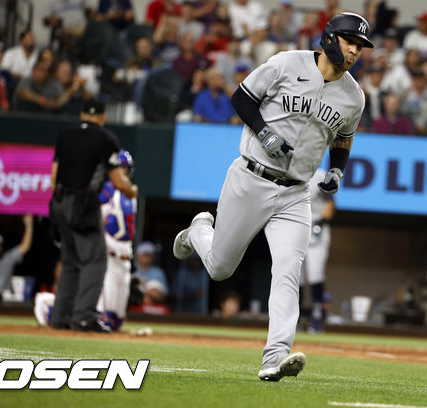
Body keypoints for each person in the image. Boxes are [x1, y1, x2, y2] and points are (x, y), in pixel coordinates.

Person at [172, 12, 372, 381]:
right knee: (219, 268)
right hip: (251, 177)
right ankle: (199, 230)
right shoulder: (286, 63)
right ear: (329, 38)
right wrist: (264, 133)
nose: (355, 50)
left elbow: (344, 136)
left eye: (360, 46)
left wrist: (337, 170)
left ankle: (274, 356)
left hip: (297, 193)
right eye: (350, 41)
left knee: (288, 272)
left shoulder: (353, 96)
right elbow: (242, 98)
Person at [49, 99, 138, 333]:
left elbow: (53, 176)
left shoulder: (65, 135)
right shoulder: (106, 138)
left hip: (59, 202)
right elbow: (119, 181)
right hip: (83, 203)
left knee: (70, 261)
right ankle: (83, 317)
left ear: (81, 114)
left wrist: (62, 205)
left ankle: (60, 317)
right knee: (95, 261)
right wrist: (132, 190)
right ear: (102, 116)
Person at [96, 149, 137, 330]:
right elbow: (97, 223)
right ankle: (49, 308)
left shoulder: (130, 194)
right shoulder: (106, 192)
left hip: (125, 259)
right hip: (110, 256)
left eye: (126, 169)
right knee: (104, 316)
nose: (124, 173)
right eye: (121, 169)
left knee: (118, 320)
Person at [301, 167, 335, 333]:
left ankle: (317, 318)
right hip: (297, 226)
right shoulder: (293, 170)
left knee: (315, 275)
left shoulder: (321, 175)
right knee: (296, 277)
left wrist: (321, 223)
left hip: (316, 228)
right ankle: (294, 319)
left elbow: (330, 203)